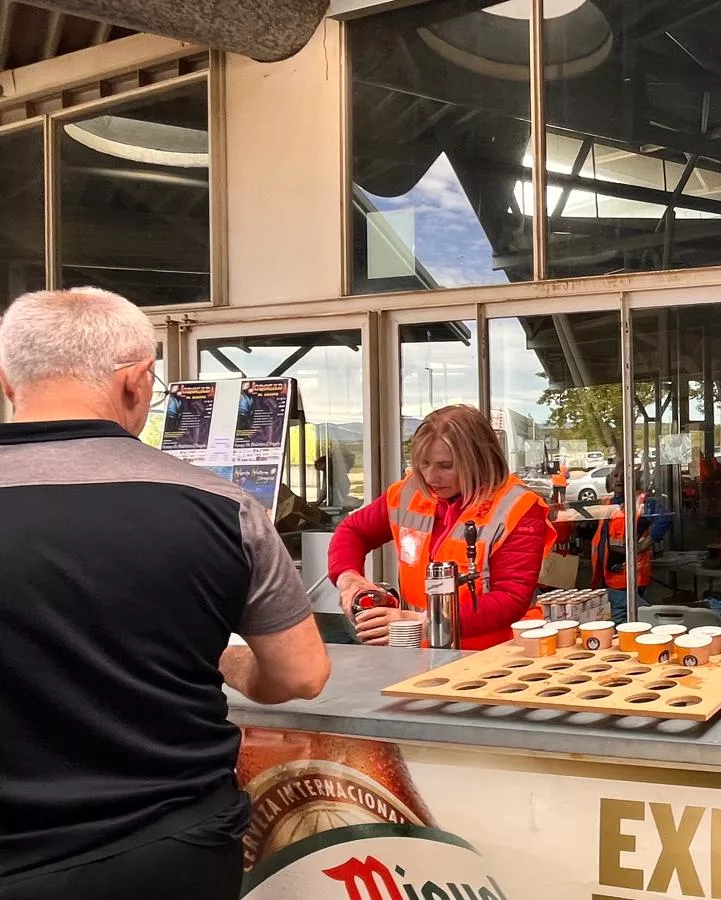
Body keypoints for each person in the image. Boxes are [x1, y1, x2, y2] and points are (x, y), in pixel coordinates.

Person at [0, 288, 330, 900]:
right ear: (137, 381)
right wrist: (226, 658)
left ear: (8, 381)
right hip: (166, 850)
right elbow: (302, 674)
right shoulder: (221, 508)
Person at [328, 405, 550, 650]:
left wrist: (421, 622)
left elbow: (510, 599)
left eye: (445, 466)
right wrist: (349, 579)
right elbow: (352, 531)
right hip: (425, 651)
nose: (431, 477)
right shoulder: (408, 492)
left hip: (499, 654)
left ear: (479, 460)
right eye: (424, 464)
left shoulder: (517, 506)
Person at [594, 464, 672, 622]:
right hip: (607, 575)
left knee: (624, 622)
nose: (619, 479)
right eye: (616, 475)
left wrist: (644, 544)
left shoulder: (642, 502)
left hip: (628, 576)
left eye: (624, 475)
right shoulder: (608, 503)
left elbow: (665, 518)